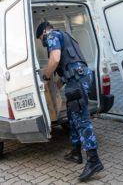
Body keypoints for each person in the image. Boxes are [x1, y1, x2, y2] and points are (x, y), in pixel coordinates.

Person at [36, 21, 103, 181]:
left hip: (77, 80)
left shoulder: (52, 35)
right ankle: (75, 153)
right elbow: (68, 67)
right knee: (73, 116)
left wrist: (45, 76)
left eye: (41, 38)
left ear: (44, 31)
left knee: (82, 119)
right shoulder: (66, 36)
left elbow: (55, 59)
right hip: (76, 77)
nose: (43, 42)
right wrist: (54, 87)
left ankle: (94, 161)